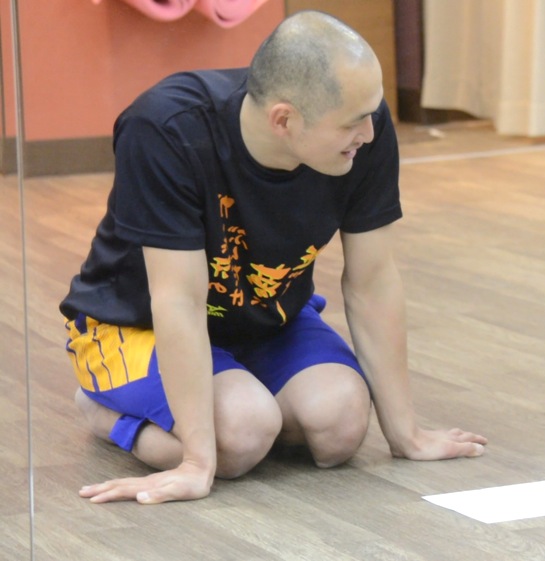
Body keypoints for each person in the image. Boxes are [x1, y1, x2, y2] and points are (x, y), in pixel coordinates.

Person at [60, 10, 487, 505]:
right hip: (135, 325)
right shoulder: (166, 129)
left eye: (371, 115)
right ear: (284, 119)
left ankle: (243, 398)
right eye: (353, 123)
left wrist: (407, 435)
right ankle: (105, 413)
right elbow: (178, 301)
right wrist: (197, 462)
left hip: (263, 318)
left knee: (340, 425)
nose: (369, 134)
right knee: (239, 438)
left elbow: (372, 281)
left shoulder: (362, 129)